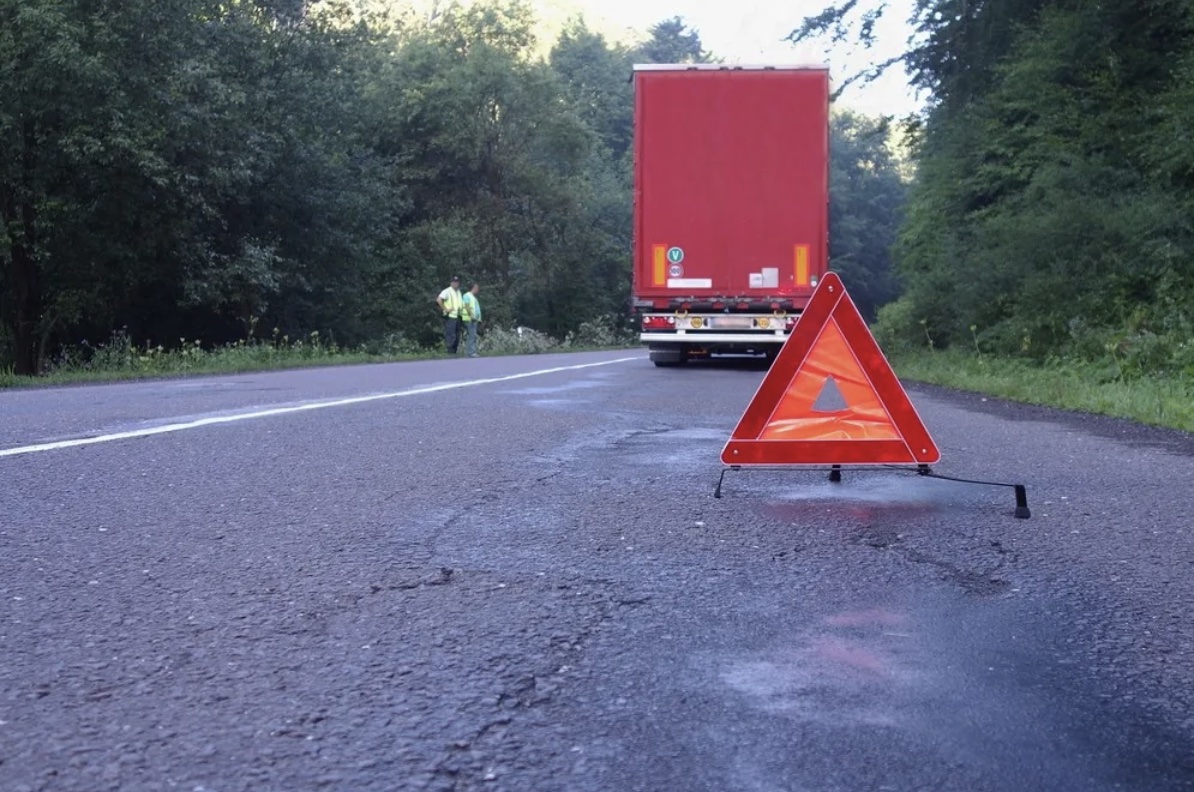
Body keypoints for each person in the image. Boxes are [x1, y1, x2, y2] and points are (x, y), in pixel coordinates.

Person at [436, 275, 464, 354]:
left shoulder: (458, 292)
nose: (456, 284)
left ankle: (454, 352)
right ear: (451, 283)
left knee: (457, 336)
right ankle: (450, 353)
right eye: (454, 282)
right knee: (451, 335)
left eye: (457, 282)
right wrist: (445, 309)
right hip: (450, 317)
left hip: (458, 316)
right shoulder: (447, 291)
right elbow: (439, 300)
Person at [461, 282, 482, 358]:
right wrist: (471, 316)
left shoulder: (473, 297)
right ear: (473, 288)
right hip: (470, 319)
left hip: (474, 319)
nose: (478, 289)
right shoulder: (467, 295)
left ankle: (470, 352)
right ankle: (471, 352)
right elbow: (466, 306)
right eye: (477, 288)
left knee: (472, 335)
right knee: (472, 335)